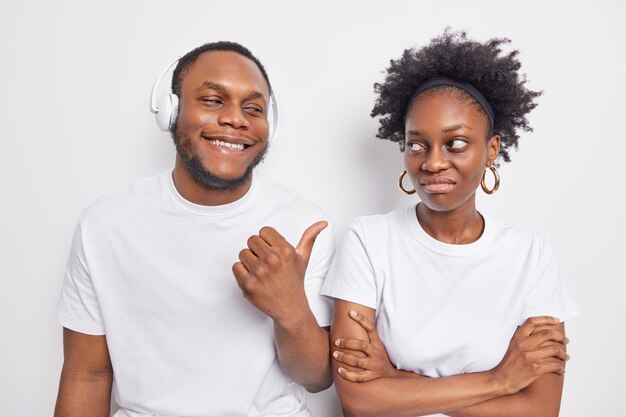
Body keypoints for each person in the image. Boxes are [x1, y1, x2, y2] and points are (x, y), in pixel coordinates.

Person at [54, 41, 334, 417]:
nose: (237, 119)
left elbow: (316, 378)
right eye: (213, 101)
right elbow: (87, 376)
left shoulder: (302, 223)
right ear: (171, 111)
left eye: (253, 108)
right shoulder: (104, 224)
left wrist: (291, 311)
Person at [321, 30, 577, 417]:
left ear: (492, 148)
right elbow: (359, 401)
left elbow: (540, 409)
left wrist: (394, 377)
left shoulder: (530, 253)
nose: (433, 162)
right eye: (416, 144)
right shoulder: (369, 240)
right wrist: (499, 382)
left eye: (455, 143)